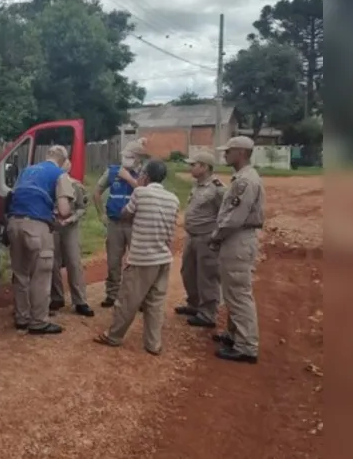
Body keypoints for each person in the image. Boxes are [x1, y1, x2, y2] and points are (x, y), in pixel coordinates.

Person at [94, 160, 179, 355]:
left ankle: (114, 336)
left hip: (142, 257)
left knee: (128, 299)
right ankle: (153, 344)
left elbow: (125, 213)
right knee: (155, 303)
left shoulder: (140, 193)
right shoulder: (173, 198)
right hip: (163, 258)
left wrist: (138, 188)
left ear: (145, 176)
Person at [6, 145, 75, 335]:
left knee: (20, 274)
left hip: (14, 224)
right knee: (41, 275)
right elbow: (64, 210)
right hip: (37, 227)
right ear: (63, 160)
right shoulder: (60, 174)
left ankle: (22, 317)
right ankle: (38, 321)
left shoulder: (27, 170)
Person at [209, 136, 265, 364]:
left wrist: (216, 236)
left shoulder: (245, 181)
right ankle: (235, 335)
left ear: (241, 153)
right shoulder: (242, 178)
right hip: (236, 238)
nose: (225, 154)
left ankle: (246, 346)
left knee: (239, 294)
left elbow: (234, 219)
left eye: (229, 151)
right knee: (232, 292)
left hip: (237, 238)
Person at [93, 138, 148, 308]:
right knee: (113, 261)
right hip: (115, 223)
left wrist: (130, 179)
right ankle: (112, 294)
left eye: (130, 156)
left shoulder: (145, 174)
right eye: (125, 155)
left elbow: (146, 192)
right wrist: (101, 214)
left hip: (135, 224)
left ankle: (139, 298)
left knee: (137, 262)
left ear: (139, 158)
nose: (126, 159)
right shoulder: (112, 171)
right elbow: (97, 192)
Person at [175, 151, 227, 328]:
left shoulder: (218, 188)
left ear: (204, 167)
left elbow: (225, 214)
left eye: (193, 165)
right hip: (192, 235)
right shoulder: (197, 185)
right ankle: (194, 304)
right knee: (188, 272)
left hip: (207, 237)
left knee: (207, 276)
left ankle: (208, 313)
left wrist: (217, 236)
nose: (190, 168)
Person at [49, 160, 94, 317]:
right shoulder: (49, 184)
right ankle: (56, 297)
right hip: (53, 226)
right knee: (52, 263)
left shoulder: (76, 186)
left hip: (70, 228)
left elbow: (82, 208)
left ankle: (80, 301)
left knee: (74, 262)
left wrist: (71, 218)